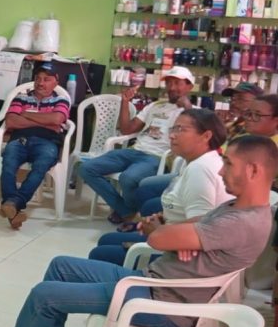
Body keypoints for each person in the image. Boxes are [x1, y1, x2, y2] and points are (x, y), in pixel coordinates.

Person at [0, 135, 277, 327]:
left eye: (229, 164)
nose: (222, 172)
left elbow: (159, 239)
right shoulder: (236, 206)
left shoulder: (242, 222)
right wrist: (172, 231)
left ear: (253, 170)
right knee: (61, 265)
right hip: (151, 280)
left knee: (45, 294)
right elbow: (182, 226)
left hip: (161, 302)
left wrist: (167, 232)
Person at [87, 110, 231, 267]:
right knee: (106, 240)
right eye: (173, 129)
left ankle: (129, 286)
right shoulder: (195, 162)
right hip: (174, 235)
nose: (172, 135)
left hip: (184, 257)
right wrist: (161, 218)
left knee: (100, 253)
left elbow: (200, 226)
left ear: (206, 136)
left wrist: (159, 230)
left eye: (181, 130)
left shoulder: (201, 169)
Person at [130, 81, 265, 220]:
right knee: (146, 188)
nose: (235, 103)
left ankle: (154, 230)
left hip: (217, 176)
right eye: (233, 99)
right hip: (202, 165)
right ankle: (145, 226)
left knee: (150, 202)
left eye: (241, 99)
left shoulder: (254, 134)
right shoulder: (232, 124)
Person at [79, 66, 195, 225]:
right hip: (134, 151)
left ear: (189, 86)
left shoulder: (194, 112)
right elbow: (127, 129)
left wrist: (187, 108)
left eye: (177, 83)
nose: (172, 87)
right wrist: (125, 103)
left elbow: (195, 137)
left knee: (128, 178)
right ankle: (127, 211)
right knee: (87, 168)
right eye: (169, 83)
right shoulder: (155, 106)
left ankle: (125, 212)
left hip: (157, 157)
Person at [0, 63, 70, 228]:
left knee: (41, 166)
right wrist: (45, 120)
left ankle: (12, 203)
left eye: (46, 79)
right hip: (20, 139)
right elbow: (11, 121)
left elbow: (57, 120)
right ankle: (14, 209)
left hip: (47, 142)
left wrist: (26, 115)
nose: (41, 83)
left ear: (55, 81)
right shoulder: (21, 97)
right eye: (37, 79)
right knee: (8, 163)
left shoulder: (61, 99)